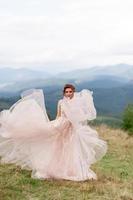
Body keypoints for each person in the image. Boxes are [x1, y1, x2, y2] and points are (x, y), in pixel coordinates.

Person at [0, 84, 108, 181]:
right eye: (67, 92)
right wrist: (54, 125)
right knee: (58, 147)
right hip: (61, 126)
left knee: (72, 149)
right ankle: (56, 168)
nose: (69, 93)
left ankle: (72, 169)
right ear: (64, 93)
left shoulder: (76, 103)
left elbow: (79, 117)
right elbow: (59, 115)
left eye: (71, 91)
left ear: (73, 92)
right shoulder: (61, 102)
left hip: (71, 129)